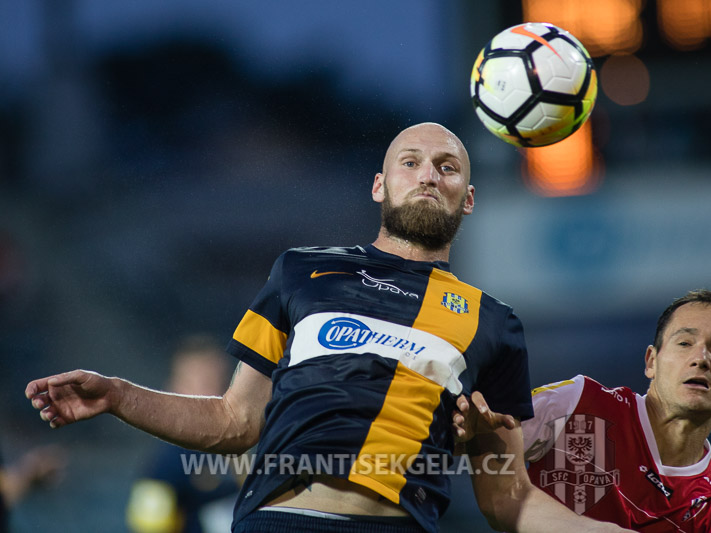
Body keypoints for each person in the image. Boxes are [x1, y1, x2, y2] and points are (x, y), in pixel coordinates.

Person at [26, 123, 630, 533]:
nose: (428, 174)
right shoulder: (300, 271)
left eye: (446, 167)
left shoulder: (494, 321)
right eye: (410, 162)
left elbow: (508, 498)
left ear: (467, 198)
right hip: (280, 521)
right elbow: (235, 421)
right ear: (380, 185)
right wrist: (118, 395)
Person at [519, 290, 711, 531]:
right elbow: (496, 465)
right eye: (685, 343)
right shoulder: (577, 403)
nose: (701, 359)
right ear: (651, 361)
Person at [126, 334, 240, 533]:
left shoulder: (254, 445)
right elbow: (149, 526)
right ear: (172, 391)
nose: (212, 393)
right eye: (202, 383)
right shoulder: (165, 464)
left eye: (221, 382)